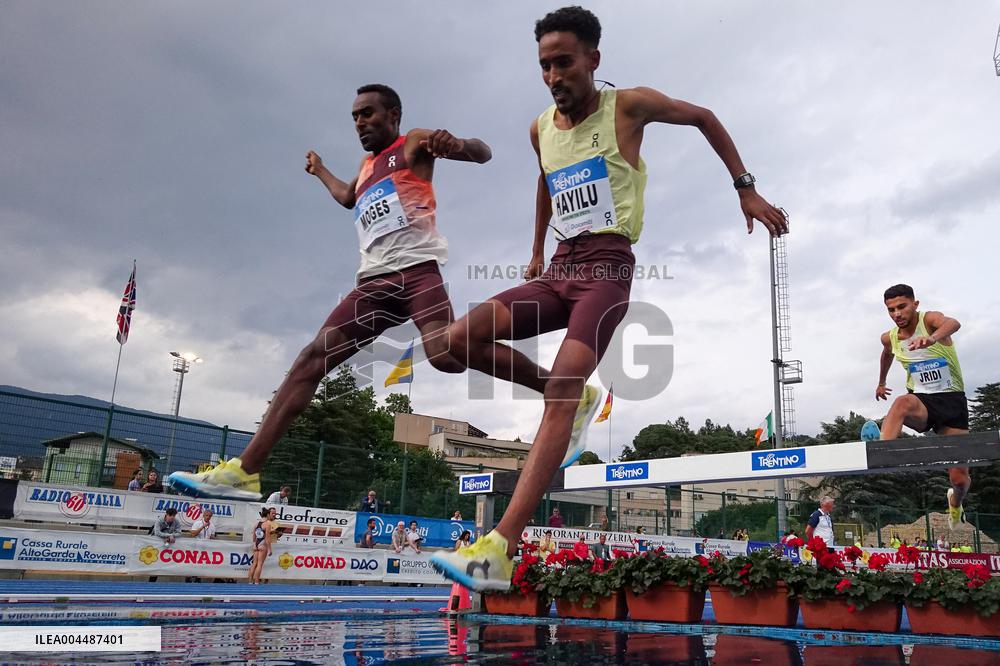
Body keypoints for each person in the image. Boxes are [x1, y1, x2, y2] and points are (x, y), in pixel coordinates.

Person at [431, 6, 785, 591]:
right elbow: (547, 179)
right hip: (559, 269)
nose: (553, 76)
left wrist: (745, 189)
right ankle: (557, 394)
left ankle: (498, 547)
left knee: (566, 386)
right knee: (455, 340)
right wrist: (537, 247)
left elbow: (704, 116)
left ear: (593, 59)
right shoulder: (539, 126)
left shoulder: (630, 106)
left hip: (606, 269)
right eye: (544, 66)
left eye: (564, 63)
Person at [166, 84, 492, 500]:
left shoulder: (413, 144)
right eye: (355, 116)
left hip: (417, 276)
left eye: (368, 114)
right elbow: (347, 196)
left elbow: (483, 152)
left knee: (447, 356)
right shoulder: (369, 165)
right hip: (373, 287)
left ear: (393, 114)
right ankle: (246, 471)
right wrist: (320, 169)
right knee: (309, 360)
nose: (360, 123)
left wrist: (458, 143)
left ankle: (520, 357)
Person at [869, 284, 969, 529]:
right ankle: (883, 452)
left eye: (902, 307)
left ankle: (955, 503)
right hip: (921, 401)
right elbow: (887, 354)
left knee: (959, 478)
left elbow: (953, 323)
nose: (897, 314)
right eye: (891, 310)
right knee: (902, 402)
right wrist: (881, 381)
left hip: (951, 402)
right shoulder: (890, 337)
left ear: (915, 304)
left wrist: (932, 338)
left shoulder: (931, 320)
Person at [249, 507, 280, 584]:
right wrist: (270, 549)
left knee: (254, 564)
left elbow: (254, 535)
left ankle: (250, 581)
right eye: (270, 514)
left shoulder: (256, 523)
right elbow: (267, 538)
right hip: (262, 545)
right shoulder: (267, 524)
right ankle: (256, 582)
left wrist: (254, 544)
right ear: (267, 515)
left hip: (256, 544)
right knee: (259, 564)